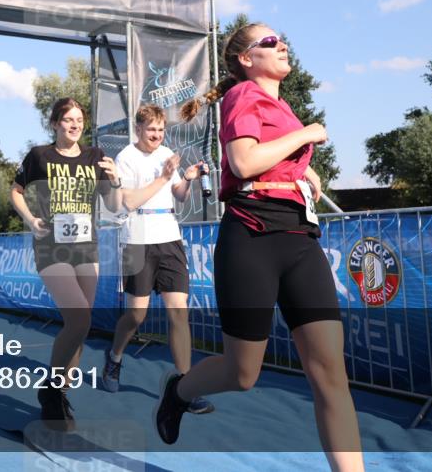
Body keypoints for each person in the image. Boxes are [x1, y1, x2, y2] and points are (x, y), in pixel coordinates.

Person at [153, 23, 364, 472]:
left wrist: (302, 175)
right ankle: (180, 391)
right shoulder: (243, 96)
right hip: (252, 236)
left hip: (300, 240)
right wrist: (306, 135)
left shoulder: (281, 106)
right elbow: (243, 161)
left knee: (331, 376)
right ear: (247, 59)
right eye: (269, 42)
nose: (282, 44)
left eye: (283, 37)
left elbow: (269, 161)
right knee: (242, 373)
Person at [10, 97, 122, 431]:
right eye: (68, 120)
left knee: (81, 328)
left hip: (86, 248)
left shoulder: (96, 157)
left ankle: (59, 396)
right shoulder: (39, 156)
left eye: (79, 120)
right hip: (51, 247)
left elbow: (114, 205)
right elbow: (15, 192)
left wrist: (115, 180)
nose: (74, 125)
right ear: (55, 123)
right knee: (78, 318)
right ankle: (51, 390)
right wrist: (31, 220)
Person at [101, 104, 214, 416]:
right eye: (151, 130)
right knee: (136, 317)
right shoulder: (125, 157)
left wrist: (187, 178)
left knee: (179, 311)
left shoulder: (167, 154)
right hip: (137, 240)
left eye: (161, 130)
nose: (157, 135)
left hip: (170, 238)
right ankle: (115, 357)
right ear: (139, 129)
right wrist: (164, 177)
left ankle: (184, 388)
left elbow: (178, 195)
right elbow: (128, 200)